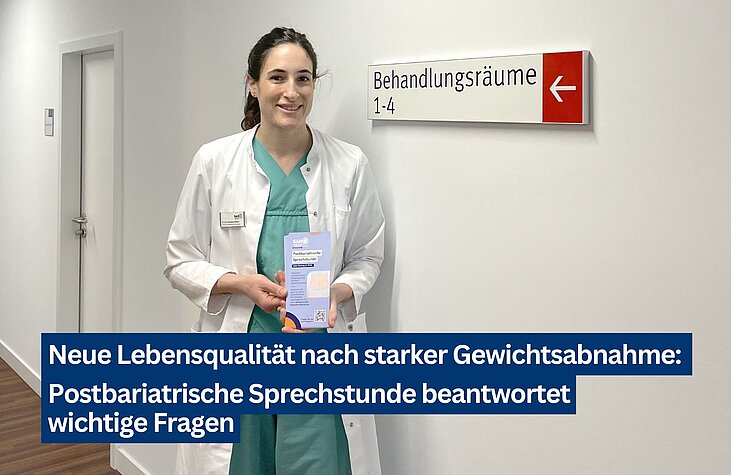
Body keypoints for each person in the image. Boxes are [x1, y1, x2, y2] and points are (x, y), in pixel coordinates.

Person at [164, 27, 385, 475]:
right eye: (277, 77)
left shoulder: (349, 164)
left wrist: (336, 293)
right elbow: (179, 259)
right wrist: (239, 283)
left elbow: (368, 256)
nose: (292, 92)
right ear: (253, 84)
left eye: (303, 79)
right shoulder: (215, 161)